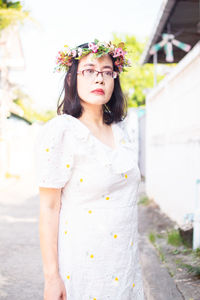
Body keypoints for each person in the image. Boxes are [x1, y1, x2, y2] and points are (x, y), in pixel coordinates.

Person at [35, 39, 144, 300]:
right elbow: (49, 208)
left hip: (125, 261)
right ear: (72, 79)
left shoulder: (125, 131)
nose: (100, 79)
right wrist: (52, 278)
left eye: (107, 72)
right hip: (83, 266)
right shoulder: (62, 131)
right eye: (90, 70)